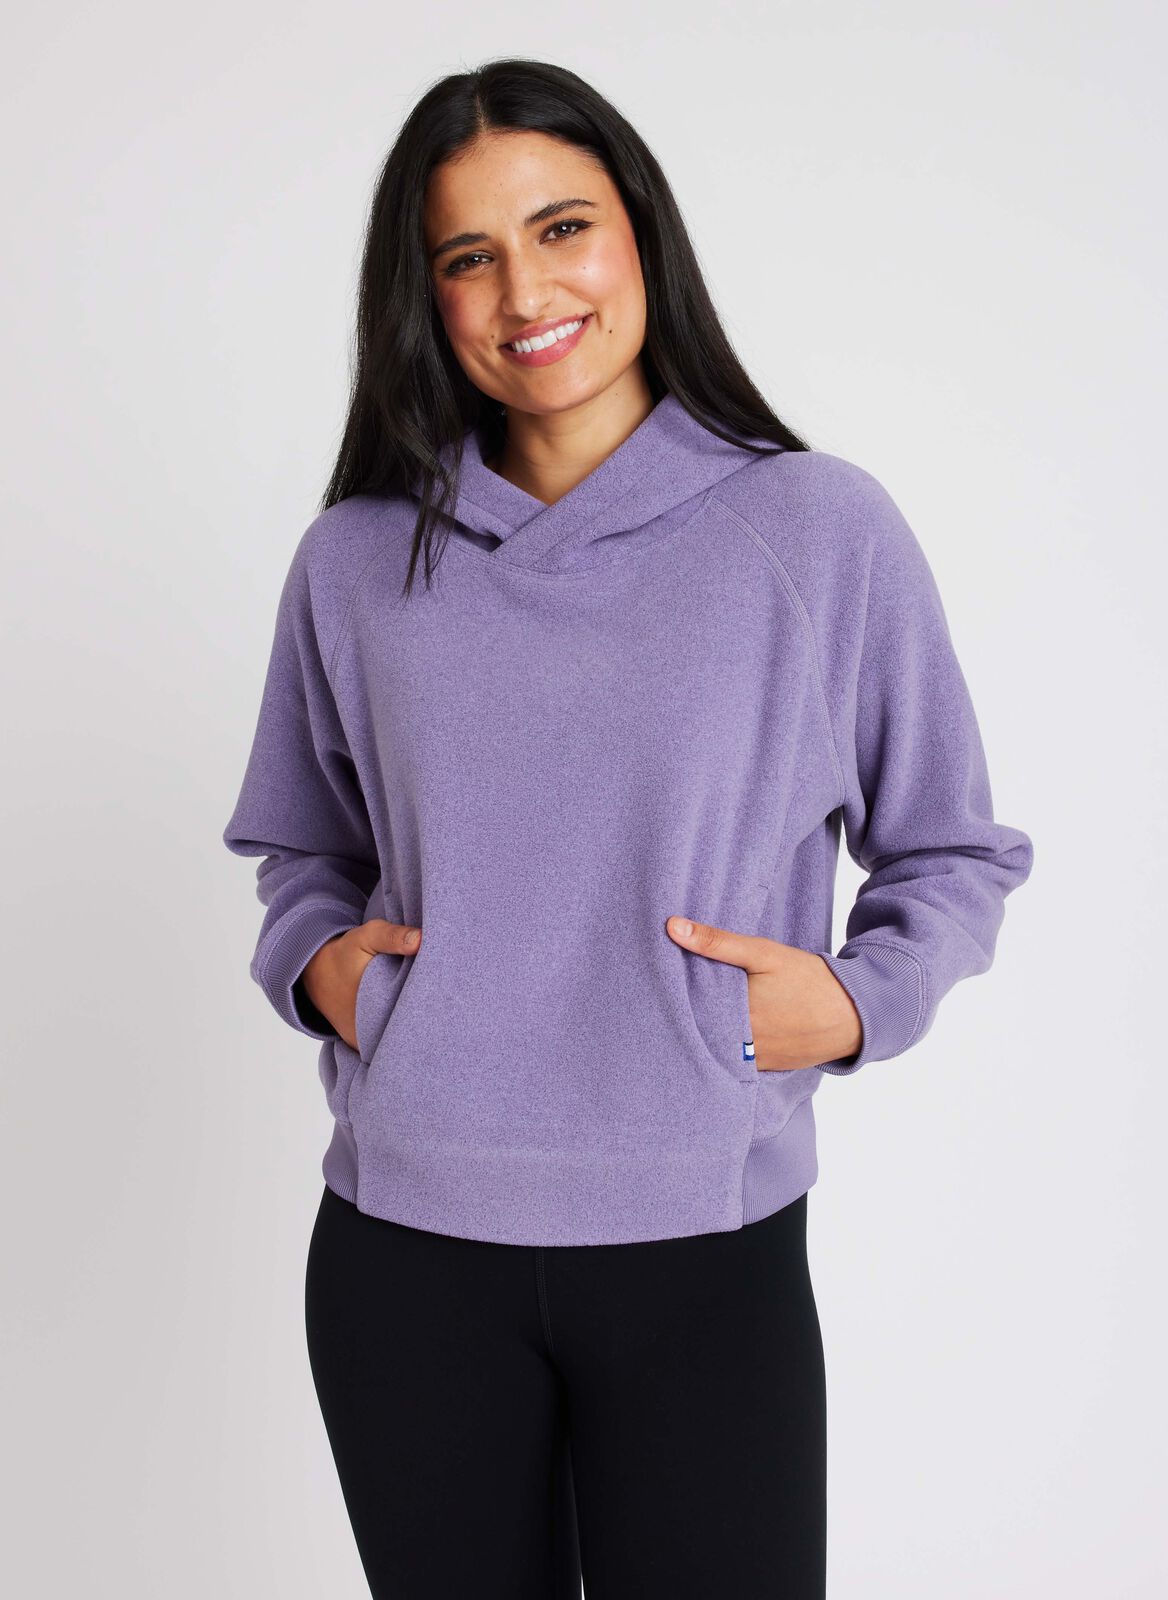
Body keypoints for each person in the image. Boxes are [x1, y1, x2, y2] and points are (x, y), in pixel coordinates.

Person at [221, 57, 1034, 1600]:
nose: (526, 292)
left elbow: (952, 846)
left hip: (702, 1247)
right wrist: (324, 969)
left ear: (640, 233)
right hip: (406, 1257)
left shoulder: (814, 529)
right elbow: (302, 849)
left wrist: (860, 1000)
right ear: (424, 297)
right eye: (468, 257)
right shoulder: (356, 561)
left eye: (563, 229)